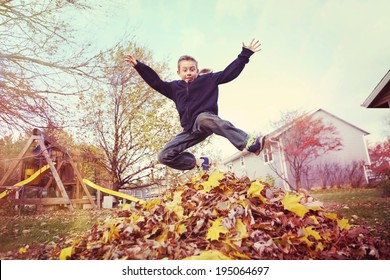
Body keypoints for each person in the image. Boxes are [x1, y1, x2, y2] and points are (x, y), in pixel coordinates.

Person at [124, 38, 266, 171]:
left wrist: (245, 55)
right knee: (163, 155)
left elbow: (228, 73)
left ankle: (249, 143)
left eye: (192, 69)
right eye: (185, 70)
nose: (189, 73)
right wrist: (139, 66)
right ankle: (198, 162)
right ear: (178, 72)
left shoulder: (208, 80)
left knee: (203, 118)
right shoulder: (174, 88)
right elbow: (156, 82)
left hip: (206, 121)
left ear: (197, 71)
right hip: (190, 131)